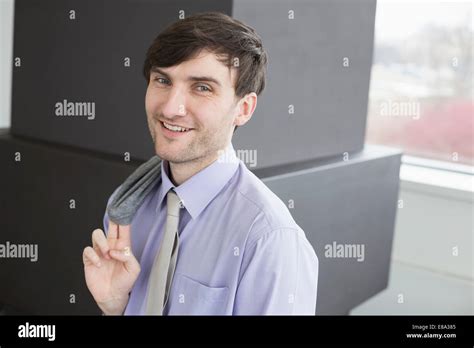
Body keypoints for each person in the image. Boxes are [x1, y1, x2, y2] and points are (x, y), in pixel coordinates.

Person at [82, 11, 318, 315]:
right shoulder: (125, 207)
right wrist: (114, 307)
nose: (171, 108)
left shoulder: (270, 240)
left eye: (202, 87)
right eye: (162, 80)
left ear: (243, 109)